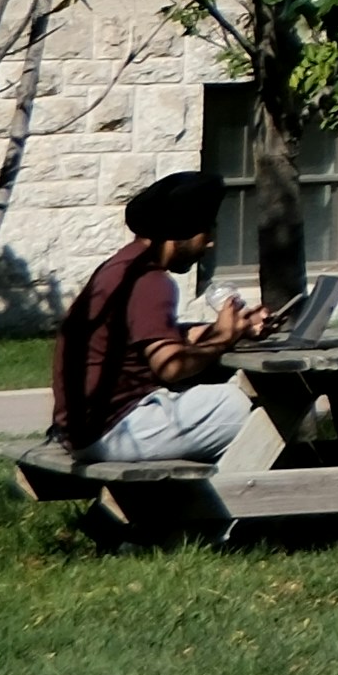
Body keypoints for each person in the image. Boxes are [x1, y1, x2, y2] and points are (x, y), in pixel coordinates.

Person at [51, 172, 266, 474]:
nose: (211, 243)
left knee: (227, 397)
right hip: (116, 429)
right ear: (181, 231)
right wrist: (223, 341)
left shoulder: (123, 267)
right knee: (251, 405)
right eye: (206, 230)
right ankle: (229, 505)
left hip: (85, 428)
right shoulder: (151, 282)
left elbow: (148, 337)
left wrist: (226, 328)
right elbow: (171, 366)